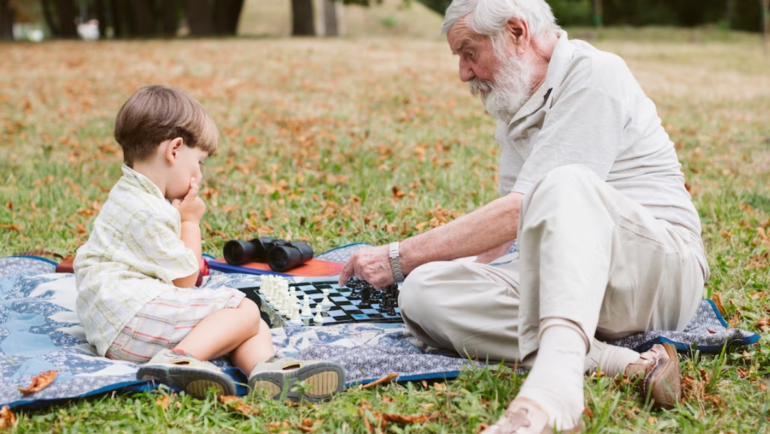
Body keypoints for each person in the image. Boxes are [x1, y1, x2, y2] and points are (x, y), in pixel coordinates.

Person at [339, 0, 708, 432]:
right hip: (577, 277)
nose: (463, 72)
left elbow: (521, 208)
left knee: (564, 183)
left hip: (658, 273)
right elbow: (505, 233)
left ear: (516, 32)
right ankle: (620, 361)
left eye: (469, 52)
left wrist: (398, 257)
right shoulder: (514, 103)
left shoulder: (594, 75)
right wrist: (449, 274)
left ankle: (552, 395)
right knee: (423, 292)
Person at [74, 85, 345, 402]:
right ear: (174, 150)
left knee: (245, 323)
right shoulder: (147, 211)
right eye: (199, 162)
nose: (199, 176)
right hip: (130, 321)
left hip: (115, 324)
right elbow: (186, 280)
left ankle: (267, 369)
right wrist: (190, 221)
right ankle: (178, 359)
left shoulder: (130, 193)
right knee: (242, 307)